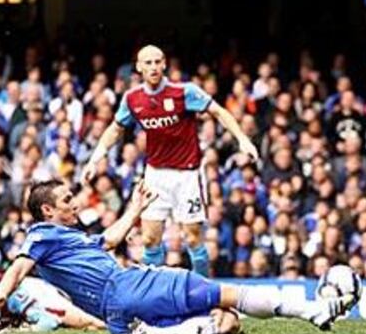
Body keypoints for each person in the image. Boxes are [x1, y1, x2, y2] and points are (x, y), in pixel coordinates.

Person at [0, 179, 353, 334]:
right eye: (67, 200)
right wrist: (2, 293)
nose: (75, 202)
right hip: (128, 286)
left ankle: (156, 332)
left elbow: (110, 239)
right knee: (225, 293)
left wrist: (135, 207)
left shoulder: (67, 238)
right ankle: (312, 311)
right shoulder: (40, 234)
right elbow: (19, 265)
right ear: (48, 210)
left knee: (228, 322)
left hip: (115, 309)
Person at [81, 45, 259, 277]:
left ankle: (203, 293)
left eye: (158, 62)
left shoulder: (184, 92)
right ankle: (151, 296)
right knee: (149, 238)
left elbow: (219, 112)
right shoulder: (133, 99)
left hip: (187, 175)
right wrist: (95, 159)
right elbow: (115, 129)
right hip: (155, 175)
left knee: (193, 237)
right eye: (148, 63)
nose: (153, 67)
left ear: (164, 65)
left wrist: (242, 140)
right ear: (139, 67)